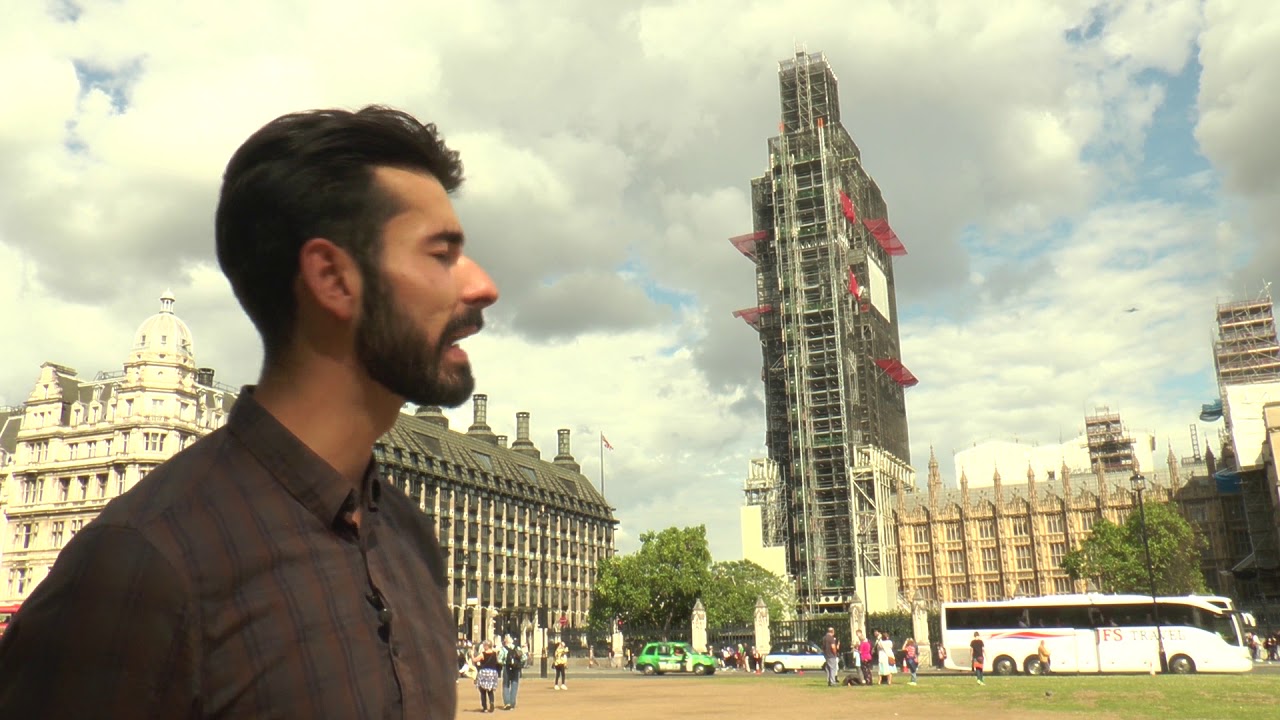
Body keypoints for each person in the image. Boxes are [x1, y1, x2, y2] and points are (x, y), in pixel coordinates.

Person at [0, 106, 499, 718]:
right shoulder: (139, 567)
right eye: (440, 255)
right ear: (333, 278)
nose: (481, 286)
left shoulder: (410, 538)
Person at [473, 641, 501, 713]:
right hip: (493, 673)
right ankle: (491, 702)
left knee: (482, 691)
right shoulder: (495, 654)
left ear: (486, 646)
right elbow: (498, 661)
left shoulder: (483, 654)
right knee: (490, 690)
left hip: (484, 672)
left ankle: (485, 707)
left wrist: (471, 655)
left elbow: (475, 660)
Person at [499, 636, 526, 710]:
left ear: (505, 642)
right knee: (514, 684)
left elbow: (499, 660)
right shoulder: (517, 648)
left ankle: (507, 703)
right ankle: (512, 703)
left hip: (507, 668)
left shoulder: (503, 649)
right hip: (516, 668)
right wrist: (519, 663)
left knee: (506, 685)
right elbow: (524, 657)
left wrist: (504, 663)